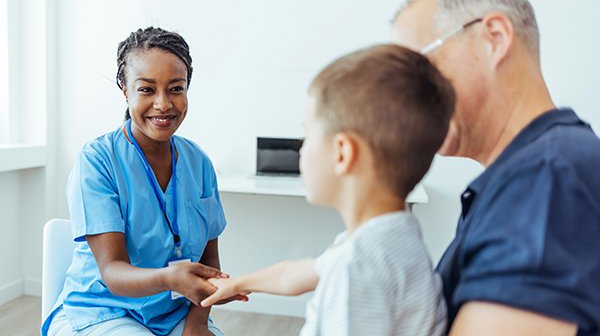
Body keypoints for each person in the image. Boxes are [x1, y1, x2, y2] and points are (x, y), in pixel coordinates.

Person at [391, 0, 600, 335]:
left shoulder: (544, 178)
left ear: (495, 39)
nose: (404, 99)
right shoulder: (536, 173)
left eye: (417, 69)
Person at [201, 44, 454, 335]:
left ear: (343, 153)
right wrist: (237, 283)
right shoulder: (391, 237)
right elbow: (294, 274)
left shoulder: (357, 268)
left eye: (306, 136)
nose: (301, 150)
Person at [42, 27, 240, 336]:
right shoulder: (97, 160)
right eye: (147, 89)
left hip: (174, 313)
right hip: (102, 311)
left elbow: (208, 260)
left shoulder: (198, 163)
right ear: (124, 89)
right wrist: (171, 279)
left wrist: (197, 324)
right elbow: (112, 272)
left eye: (176, 88)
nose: (163, 104)